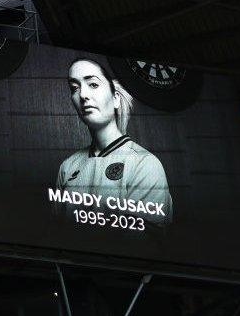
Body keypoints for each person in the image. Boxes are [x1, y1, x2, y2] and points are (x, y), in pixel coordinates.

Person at [54, 58, 172, 230]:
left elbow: (143, 245)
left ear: (116, 98)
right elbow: (57, 233)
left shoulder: (145, 164)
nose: (83, 95)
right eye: (74, 88)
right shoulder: (67, 167)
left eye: (93, 84)